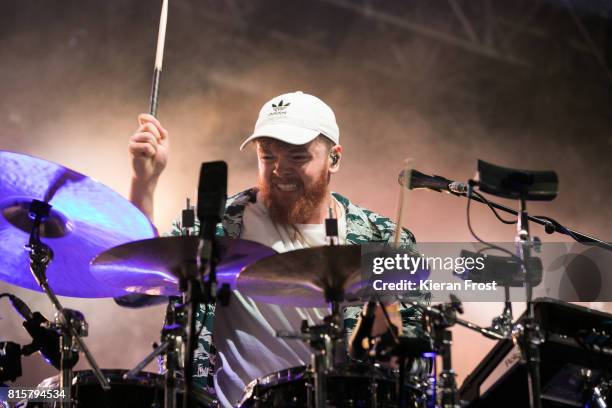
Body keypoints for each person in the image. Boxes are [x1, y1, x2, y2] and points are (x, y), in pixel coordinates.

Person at [128, 91, 425, 405]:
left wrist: (391, 347)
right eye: (267, 155)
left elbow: (419, 370)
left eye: (298, 157)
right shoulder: (213, 226)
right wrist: (143, 182)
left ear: (334, 158)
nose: (279, 169)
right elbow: (132, 287)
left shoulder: (384, 241)